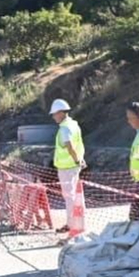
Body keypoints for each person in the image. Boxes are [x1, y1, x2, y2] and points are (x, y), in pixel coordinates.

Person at [49, 98, 86, 231]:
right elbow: (77, 145)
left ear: (61, 113)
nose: (53, 117)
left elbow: (70, 146)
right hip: (71, 166)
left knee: (69, 197)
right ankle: (74, 223)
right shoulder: (73, 125)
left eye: (54, 114)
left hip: (67, 168)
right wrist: (79, 159)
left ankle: (72, 225)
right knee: (73, 196)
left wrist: (77, 160)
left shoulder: (65, 128)